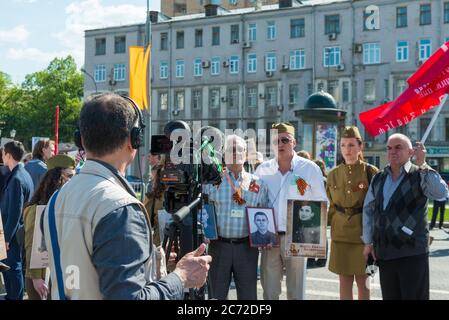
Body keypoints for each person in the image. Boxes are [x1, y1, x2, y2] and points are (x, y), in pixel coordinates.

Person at [42, 93, 211, 300]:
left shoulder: (57, 198)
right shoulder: (119, 207)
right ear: (134, 139)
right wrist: (181, 277)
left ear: (81, 139)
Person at [363, 133, 449, 300]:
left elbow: (441, 193)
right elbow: (368, 210)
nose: (392, 152)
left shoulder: (420, 174)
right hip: (385, 252)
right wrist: (368, 242)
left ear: (411, 152)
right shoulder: (379, 178)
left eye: (398, 147)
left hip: (412, 253)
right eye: (389, 148)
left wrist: (423, 163)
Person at [255, 122, 327, 300]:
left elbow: (322, 203)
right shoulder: (262, 169)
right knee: (270, 292)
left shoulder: (309, 168)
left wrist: (307, 233)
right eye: (275, 141)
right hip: (270, 238)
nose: (280, 144)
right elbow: (256, 203)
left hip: (297, 238)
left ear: (294, 142)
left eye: (284, 140)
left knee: (296, 292)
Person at [202, 134, 269, 300]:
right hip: (219, 247)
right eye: (231, 150)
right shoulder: (212, 182)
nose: (236, 153)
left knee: (248, 297)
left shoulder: (257, 184)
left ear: (246, 154)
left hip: (247, 249)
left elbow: (265, 213)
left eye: (240, 150)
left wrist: (266, 237)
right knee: (215, 295)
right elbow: (202, 212)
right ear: (223, 155)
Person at [326, 126, 379, 300]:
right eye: (343, 145)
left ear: (360, 147)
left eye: (351, 145)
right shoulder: (332, 174)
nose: (347, 150)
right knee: (344, 282)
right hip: (340, 235)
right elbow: (331, 206)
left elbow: (378, 207)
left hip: (364, 236)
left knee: (364, 283)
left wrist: (374, 238)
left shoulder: (371, 172)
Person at [23, 155, 76, 300]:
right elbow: (31, 245)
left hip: (61, 273)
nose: (72, 181)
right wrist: (36, 278)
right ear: (56, 177)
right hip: (41, 276)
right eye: (69, 176)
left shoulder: (67, 205)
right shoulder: (36, 209)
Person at [0, 141, 34, 300]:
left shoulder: (16, 178)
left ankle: (15, 297)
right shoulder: (23, 173)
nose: (2, 157)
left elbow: (14, 211)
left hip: (13, 232)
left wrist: (6, 238)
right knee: (12, 267)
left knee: (13, 268)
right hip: (18, 229)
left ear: (8, 155)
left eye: (3, 154)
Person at [143, 165, 164, 246]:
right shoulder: (183, 195)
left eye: (153, 179)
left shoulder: (152, 198)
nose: (152, 182)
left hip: (160, 244)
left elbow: (144, 221)